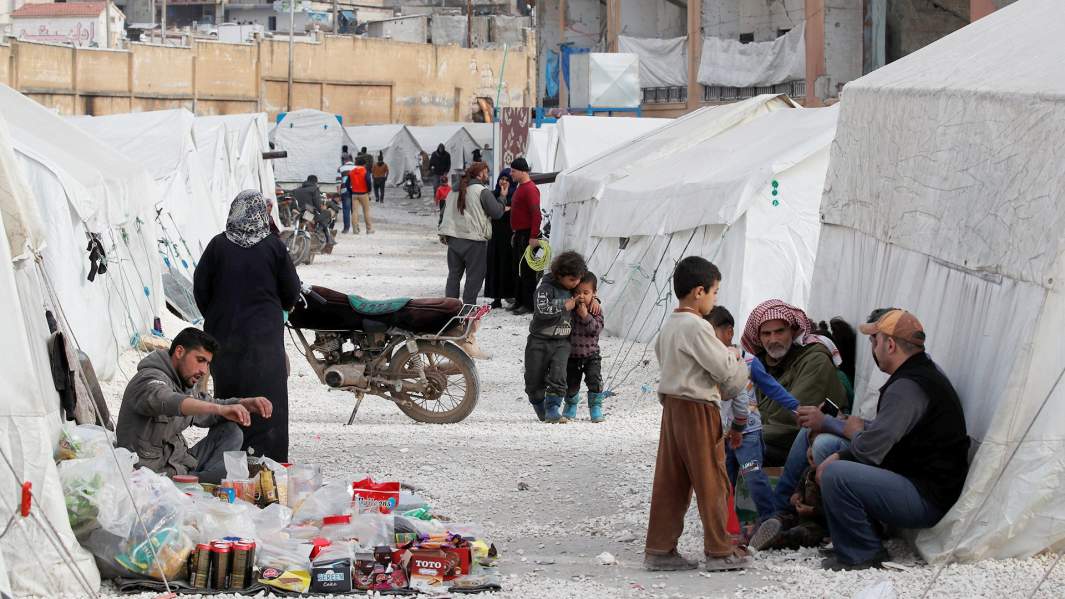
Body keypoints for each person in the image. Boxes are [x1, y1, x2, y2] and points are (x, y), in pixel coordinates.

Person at [815, 309, 970, 570]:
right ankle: (859, 533)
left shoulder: (908, 386)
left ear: (889, 344)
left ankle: (863, 553)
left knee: (834, 472)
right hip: (911, 476)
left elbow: (872, 447)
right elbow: (890, 434)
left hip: (925, 495)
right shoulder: (919, 373)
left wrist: (840, 451)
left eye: (874, 341)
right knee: (828, 446)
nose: (873, 349)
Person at [644, 256, 751, 572]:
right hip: (699, 409)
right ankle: (719, 550)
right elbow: (725, 372)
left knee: (671, 480)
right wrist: (739, 363)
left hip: (673, 409)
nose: (715, 299)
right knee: (711, 478)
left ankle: (660, 549)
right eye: (715, 292)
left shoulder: (670, 327)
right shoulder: (699, 327)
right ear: (699, 291)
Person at [193, 190, 301, 462]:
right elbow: (291, 291)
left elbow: (200, 289)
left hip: (225, 339)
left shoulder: (218, 246)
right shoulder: (274, 247)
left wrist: (217, 316)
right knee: (268, 405)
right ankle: (269, 468)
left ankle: (230, 464)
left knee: (230, 401)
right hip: (264, 342)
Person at [116, 328, 273, 484]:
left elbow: (208, 405)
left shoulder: (183, 382)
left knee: (231, 432)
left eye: (207, 364)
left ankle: (197, 481)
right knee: (232, 473)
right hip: (153, 477)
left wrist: (244, 403)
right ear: (179, 352)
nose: (204, 370)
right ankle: (198, 484)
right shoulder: (148, 379)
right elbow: (169, 399)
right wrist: (220, 409)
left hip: (181, 464)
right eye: (200, 360)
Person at [741, 299, 849, 466]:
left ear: (792, 331)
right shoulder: (759, 363)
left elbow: (791, 419)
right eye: (766, 334)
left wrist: (741, 431)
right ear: (758, 337)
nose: (773, 339)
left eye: (779, 331)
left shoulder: (814, 360)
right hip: (764, 435)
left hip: (795, 442)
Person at [706, 306, 776, 523]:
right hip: (722, 434)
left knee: (753, 474)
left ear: (728, 333)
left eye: (711, 335)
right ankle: (730, 523)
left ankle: (770, 519)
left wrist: (794, 406)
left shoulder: (748, 361)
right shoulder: (710, 364)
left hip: (748, 432)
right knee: (724, 479)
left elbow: (770, 388)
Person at [524, 251, 586, 423]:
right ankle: (539, 404)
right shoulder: (545, 288)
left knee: (559, 375)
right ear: (559, 275)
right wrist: (564, 305)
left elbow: (588, 290)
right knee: (533, 379)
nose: (576, 283)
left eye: (578, 279)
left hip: (561, 342)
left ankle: (553, 408)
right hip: (539, 340)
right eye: (572, 280)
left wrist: (593, 301)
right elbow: (541, 310)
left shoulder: (574, 287)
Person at [439, 162, 506, 305]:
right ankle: (468, 308)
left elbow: (443, 212)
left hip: (454, 239)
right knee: (474, 277)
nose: (488, 176)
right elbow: (497, 213)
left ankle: (450, 308)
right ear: (480, 173)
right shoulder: (482, 191)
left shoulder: (453, 190)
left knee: (454, 276)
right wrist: (502, 197)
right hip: (474, 240)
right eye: (486, 172)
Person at [562, 271, 605, 422]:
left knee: (594, 381)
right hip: (572, 355)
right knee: (571, 383)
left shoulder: (595, 310)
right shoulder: (571, 308)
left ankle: (595, 407)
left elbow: (596, 330)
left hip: (591, 355)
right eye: (578, 292)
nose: (581, 296)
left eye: (586, 293)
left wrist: (585, 316)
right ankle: (571, 406)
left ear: (594, 293)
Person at [508, 157, 541, 316]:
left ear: (522, 171)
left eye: (513, 171)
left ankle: (528, 304)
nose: (511, 174)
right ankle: (519, 300)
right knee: (518, 269)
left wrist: (533, 235)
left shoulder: (530, 189)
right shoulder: (520, 187)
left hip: (527, 233)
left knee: (527, 270)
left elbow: (536, 213)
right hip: (520, 233)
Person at [484, 168, 516, 310]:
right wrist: (503, 208)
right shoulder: (492, 194)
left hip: (509, 237)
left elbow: (508, 211)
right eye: (501, 179)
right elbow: (493, 212)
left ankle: (510, 295)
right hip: (495, 236)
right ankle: (496, 298)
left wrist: (502, 208)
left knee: (507, 265)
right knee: (495, 265)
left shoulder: (515, 195)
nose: (503, 182)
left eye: (507, 179)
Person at [292, 175, 334, 247]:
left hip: (298, 212)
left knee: (320, 215)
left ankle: (327, 237)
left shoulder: (297, 190)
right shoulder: (314, 189)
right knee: (327, 213)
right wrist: (321, 210)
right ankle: (321, 233)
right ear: (315, 182)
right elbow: (317, 205)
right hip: (308, 214)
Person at [349, 157, 374, 234]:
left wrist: (351, 190)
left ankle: (355, 229)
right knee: (366, 211)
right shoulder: (365, 172)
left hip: (354, 194)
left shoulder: (351, 172)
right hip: (364, 193)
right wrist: (369, 190)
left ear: (356, 163)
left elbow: (347, 183)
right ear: (364, 164)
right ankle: (369, 229)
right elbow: (369, 182)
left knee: (355, 212)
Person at [337, 158, 355, 233]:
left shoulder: (341, 168)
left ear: (344, 161)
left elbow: (338, 181)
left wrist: (339, 193)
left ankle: (346, 228)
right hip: (355, 190)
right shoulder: (356, 168)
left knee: (346, 210)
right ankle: (356, 228)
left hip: (345, 190)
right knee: (354, 210)